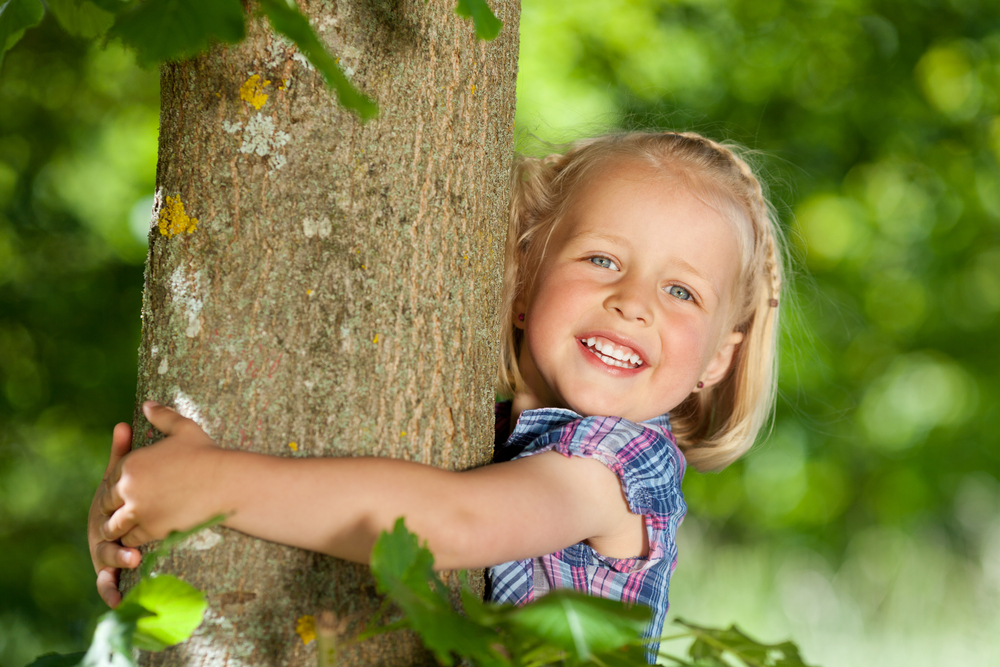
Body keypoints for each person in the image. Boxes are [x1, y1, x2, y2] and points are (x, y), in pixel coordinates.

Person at [88, 131, 784, 663]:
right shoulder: (488, 433)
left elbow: (453, 523)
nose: (632, 302)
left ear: (718, 358)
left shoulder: (618, 468)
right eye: (602, 259)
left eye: (681, 291)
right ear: (524, 277)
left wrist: (213, 485)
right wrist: (133, 507)